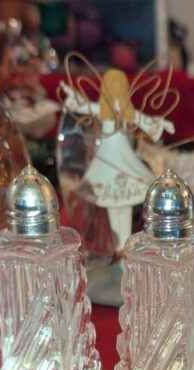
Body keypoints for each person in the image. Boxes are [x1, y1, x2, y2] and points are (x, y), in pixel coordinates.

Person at [60, 67, 175, 255]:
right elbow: (82, 106)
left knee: (123, 204)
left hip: (122, 158)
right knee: (116, 204)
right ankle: (120, 247)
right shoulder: (104, 110)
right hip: (108, 159)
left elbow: (143, 120)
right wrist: (72, 97)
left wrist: (162, 124)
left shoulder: (125, 111)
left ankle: (123, 246)